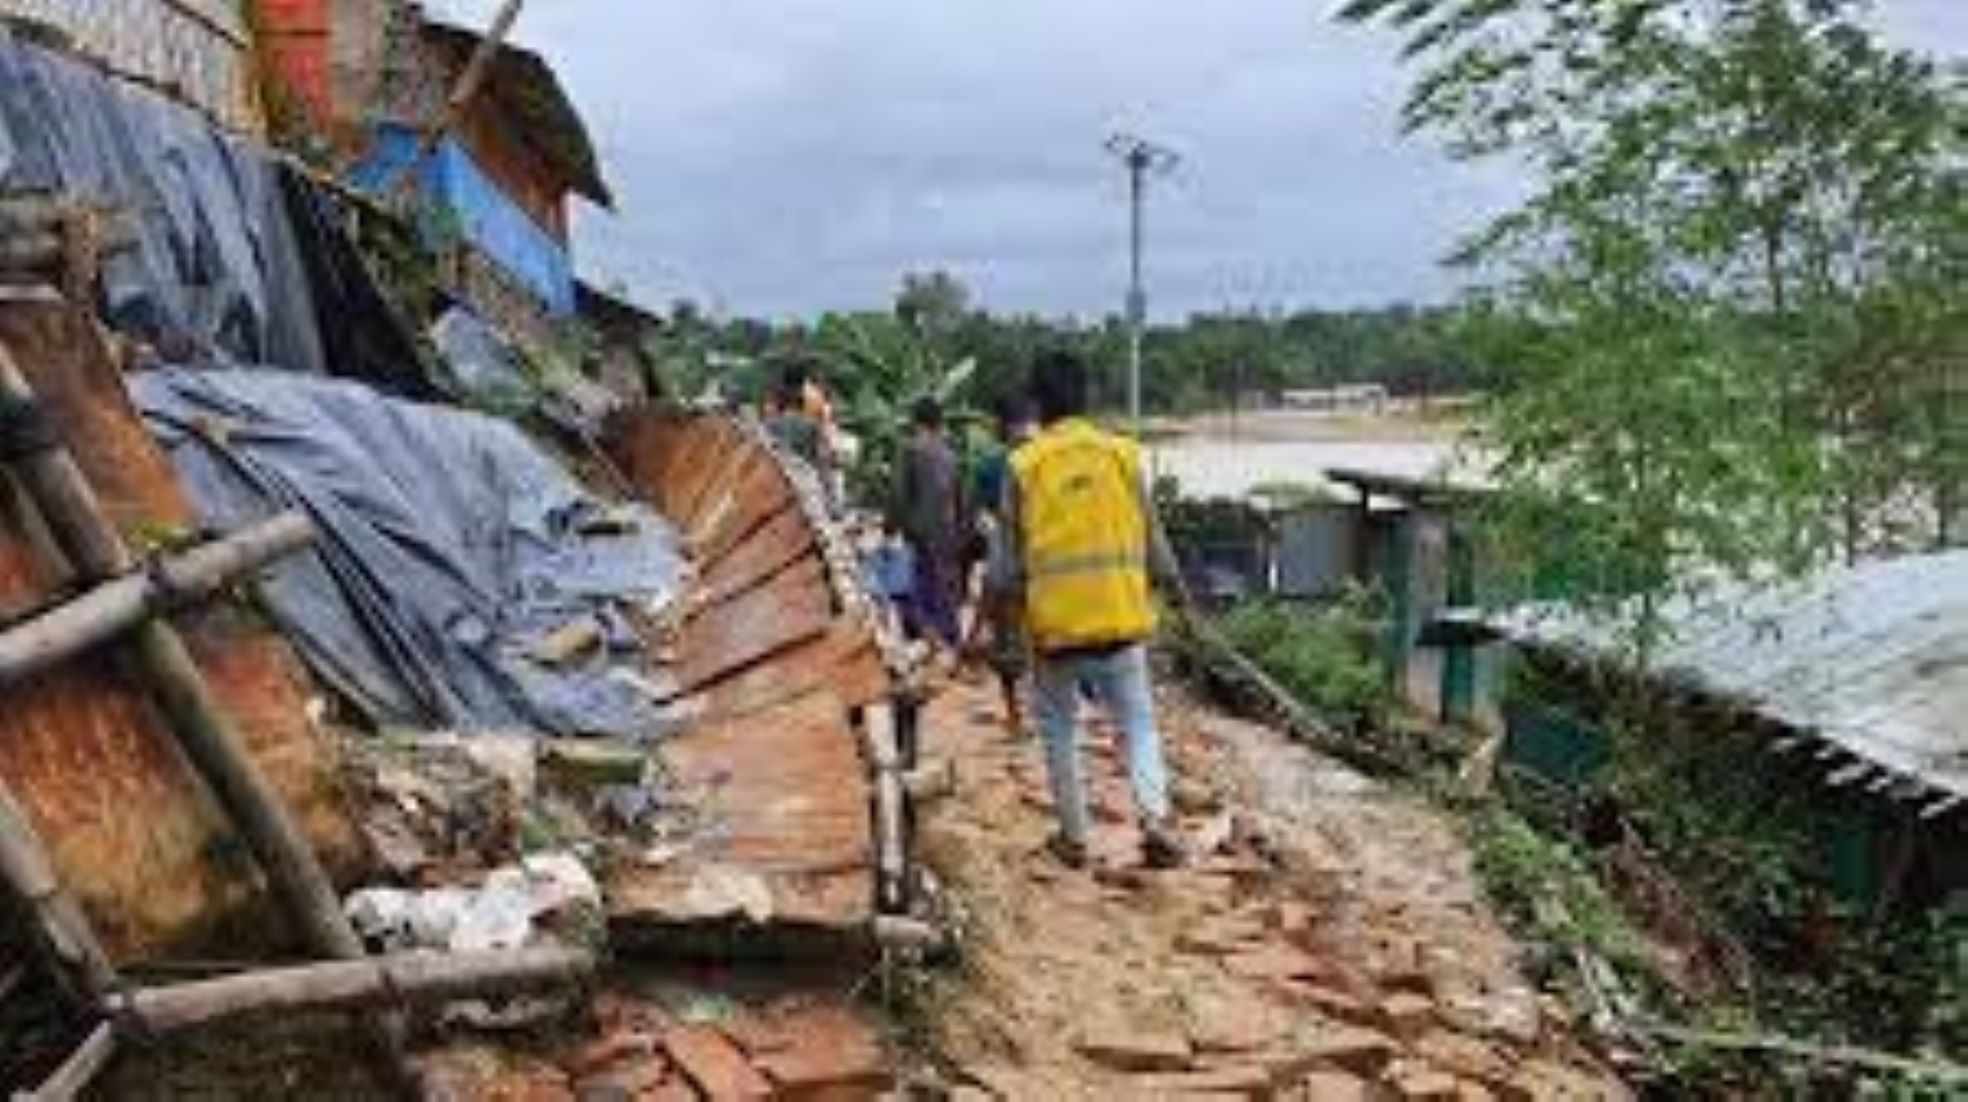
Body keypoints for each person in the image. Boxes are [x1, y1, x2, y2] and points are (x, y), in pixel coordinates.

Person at [999, 349, 1190, 870]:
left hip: (1056, 630)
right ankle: (1154, 817)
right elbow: (1155, 543)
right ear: (1086, 397)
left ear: (1038, 403)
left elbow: (1004, 571)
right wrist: (1179, 595)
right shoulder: (1124, 455)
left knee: (1060, 727)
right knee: (1139, 725)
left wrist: (1003, 634)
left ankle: (1074, 837)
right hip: (1121, 620)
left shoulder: (1023, 466)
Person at [967, 395, 1037, 734]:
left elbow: (979, 516)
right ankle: (1042, 711)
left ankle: (1015, 716)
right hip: (1048, 564)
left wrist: (995, 533)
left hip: (1006, 565)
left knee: (1007, 642)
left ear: (999, 425)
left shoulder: (990, 466)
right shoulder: (1047, 456)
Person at [893, 396, 964, 651]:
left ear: (916, 421)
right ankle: (950, 637)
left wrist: (894, 526)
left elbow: (899, 494)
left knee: (920, 584)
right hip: (947, 528)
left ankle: (927, 638)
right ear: (939, 422)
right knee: (945, 584)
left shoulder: (910, 449)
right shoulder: (950, 454)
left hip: (919, 529)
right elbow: (959, 497)